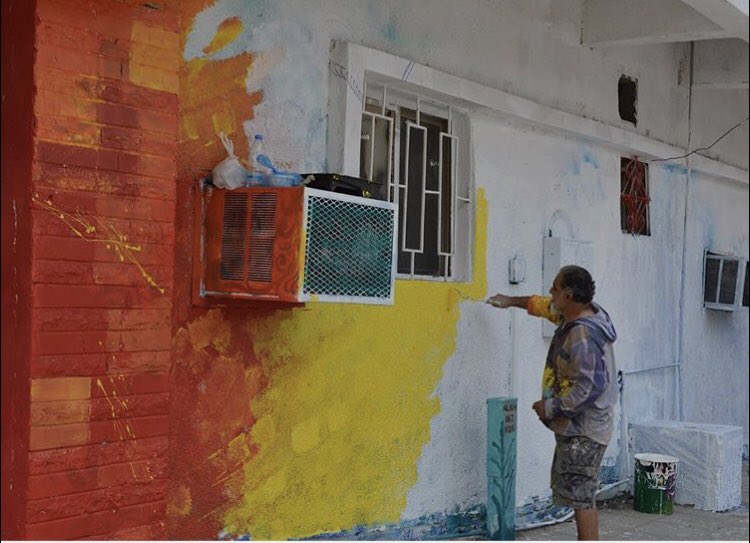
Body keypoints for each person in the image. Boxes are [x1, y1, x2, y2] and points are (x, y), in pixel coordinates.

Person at [488, 265, 617, 541]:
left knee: (581, 495)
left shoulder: (582, 336)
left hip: (585, 429)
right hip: (579, 426)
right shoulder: (577, 313)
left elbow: (589, 388)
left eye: (555, 288)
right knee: (577, 492)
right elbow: (542, 306)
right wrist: (509, 301)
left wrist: (550, 407)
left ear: (568, 295)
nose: (550, 292)